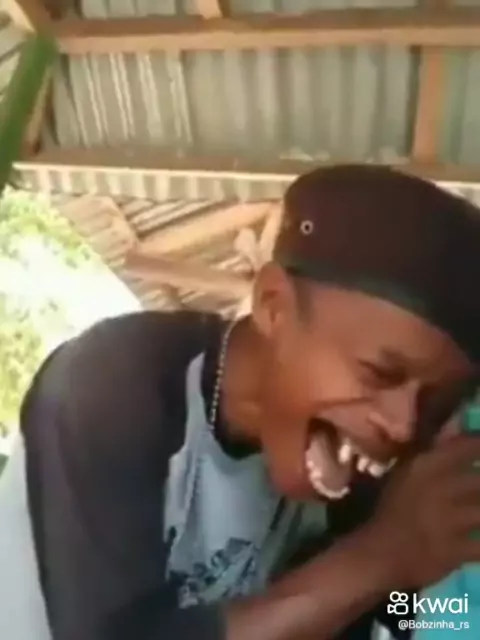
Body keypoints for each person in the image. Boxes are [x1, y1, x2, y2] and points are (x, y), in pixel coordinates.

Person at [8, 164, 480, 640]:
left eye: (432, 401)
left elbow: (386, 612)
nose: (403, 424)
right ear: (274, 306)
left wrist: (444, 597)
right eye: (380, 372)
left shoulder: (345, 469)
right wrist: (379, 557)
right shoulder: (116, 384)